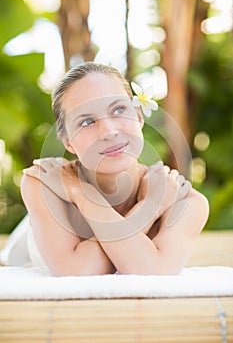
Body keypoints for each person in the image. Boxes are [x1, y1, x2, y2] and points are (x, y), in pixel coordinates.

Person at [21, 62, 209, 276]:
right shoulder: (46, 182)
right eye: (87, 121)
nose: (109, 131)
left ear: (138, 116)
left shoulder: (186, 201)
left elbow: (154, 270)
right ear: (68, 143)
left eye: (118, 110)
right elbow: (76, 271)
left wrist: (83, 196)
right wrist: (149, 208)